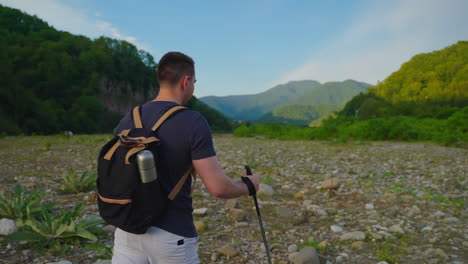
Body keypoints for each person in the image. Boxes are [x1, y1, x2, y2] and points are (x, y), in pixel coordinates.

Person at [111, 51, 260, 264]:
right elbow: (218, 188)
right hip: (171, 235)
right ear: (186, 81)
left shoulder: (127, 119)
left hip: (126, 229)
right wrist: (249, 185)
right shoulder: (192, 121)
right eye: (195, 82)